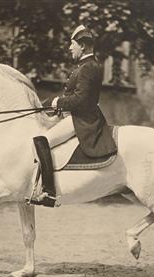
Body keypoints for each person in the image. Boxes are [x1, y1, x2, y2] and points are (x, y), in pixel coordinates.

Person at [32, 25, 117, 207]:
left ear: (83, 46)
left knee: (42, 140)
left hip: (83, 119)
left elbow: (82, 100)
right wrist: (47, 104)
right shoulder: (85, 66)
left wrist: (58, 103)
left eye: (72, 44)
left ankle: (49, 192)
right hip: (76, 115)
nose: (70, 48)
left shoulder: (88, 67)